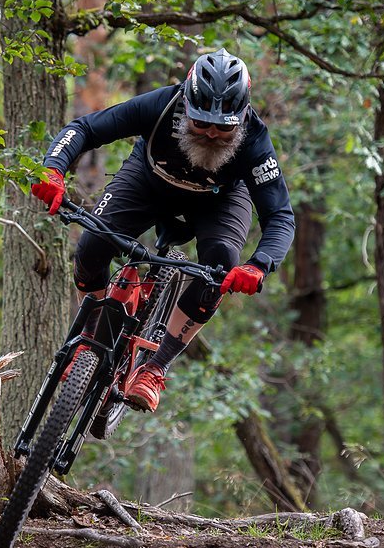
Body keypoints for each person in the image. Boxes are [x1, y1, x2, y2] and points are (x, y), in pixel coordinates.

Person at [30, 48, 295, 412]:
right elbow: (85, 129)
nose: (211, 134)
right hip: (149, 181)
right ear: (186, 102)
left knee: (221, 265)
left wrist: (259, 265)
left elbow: (280, 215)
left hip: (219, 201)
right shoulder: (160, 105)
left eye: (223, 127)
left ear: (242, 117)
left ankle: (156, 366)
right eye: (201, 122)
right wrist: (53, 169)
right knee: (92, 245)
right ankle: (93, 332)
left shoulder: (255, 141)